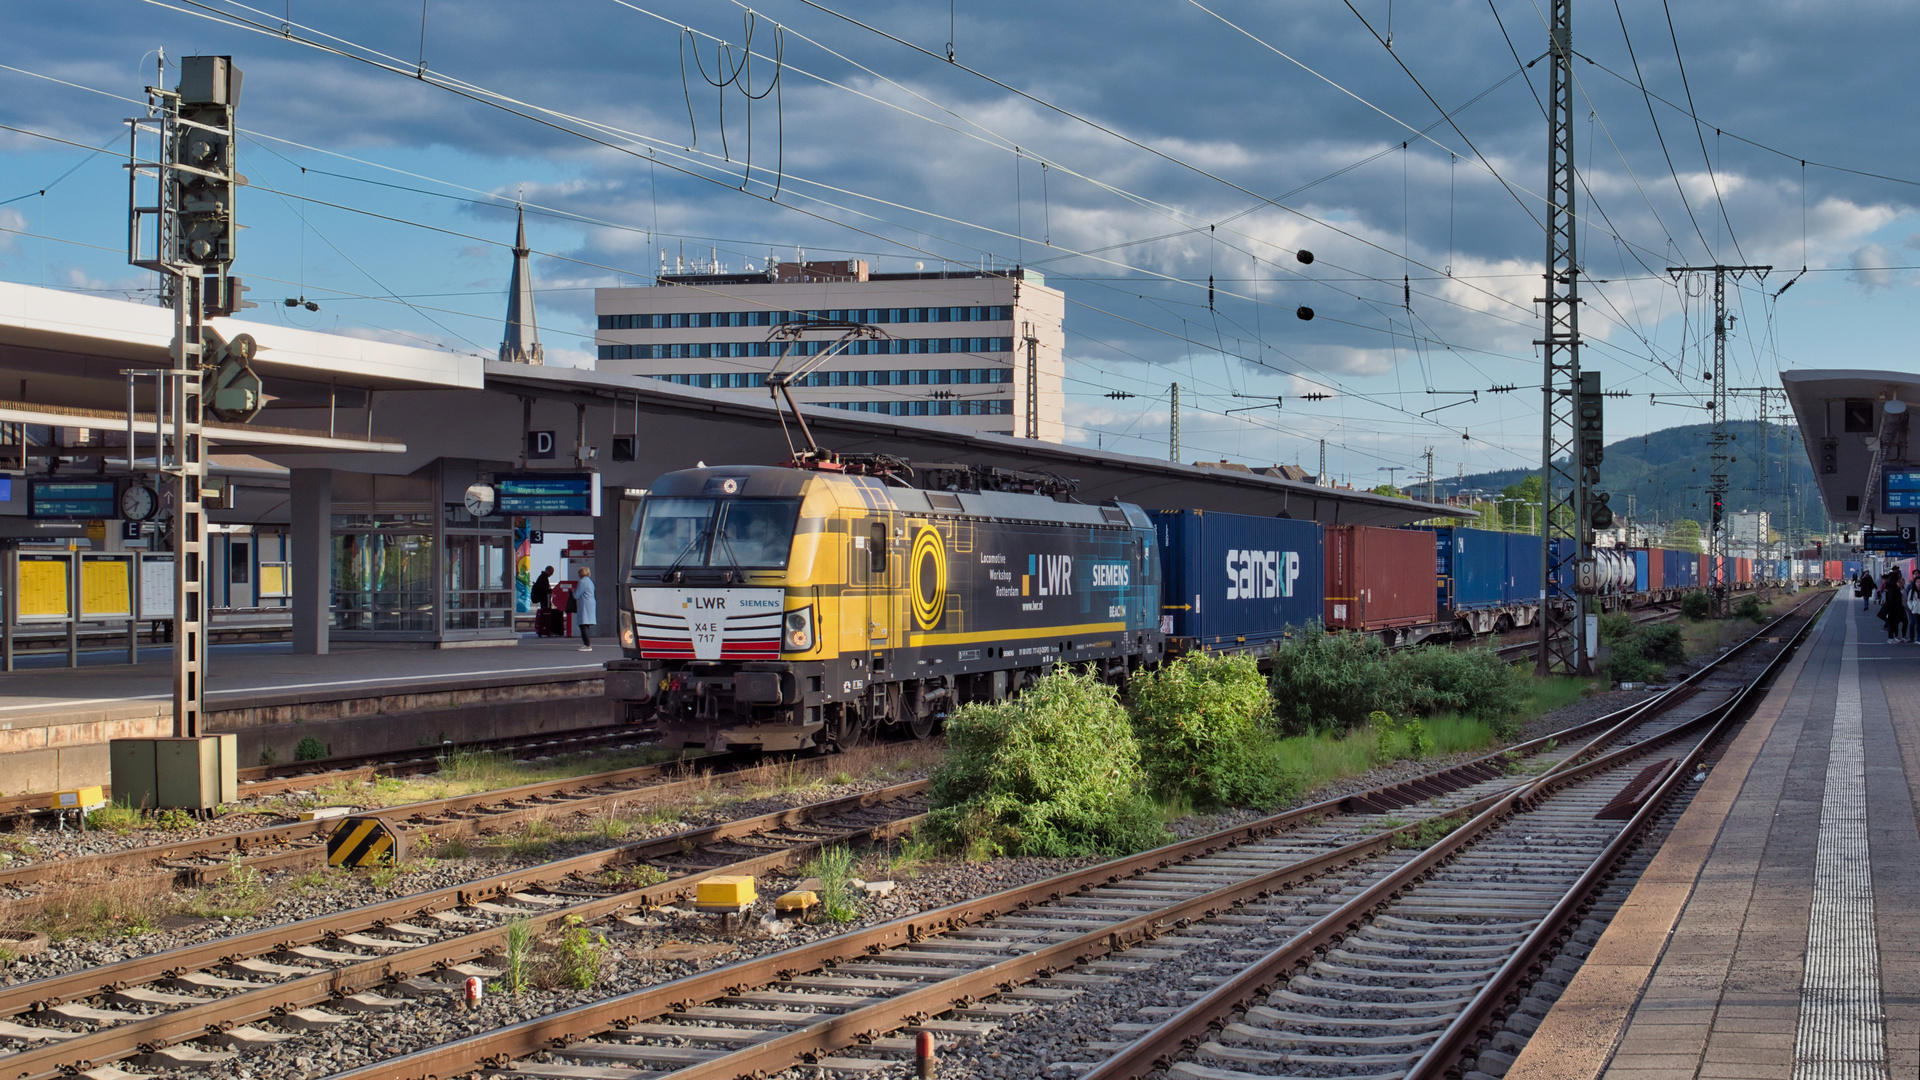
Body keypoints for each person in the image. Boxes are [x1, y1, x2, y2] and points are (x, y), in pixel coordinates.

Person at [573, 567, 597, 651]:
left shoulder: (582, 581)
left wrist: (572, 591)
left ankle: (587, 645)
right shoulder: (590, 581)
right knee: (586, 624)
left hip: (584, 604)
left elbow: (576, 595)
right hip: (590, 603)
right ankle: (587, 643)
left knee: (583, 624)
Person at [1880, 567, 1907, 644]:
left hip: (1891, 607)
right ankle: (1892, 637)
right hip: (1894, 607)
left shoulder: (1889, 586)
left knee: (1893, 622)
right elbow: (1895, 598)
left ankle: (1893, 637)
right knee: (1893, 622)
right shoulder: (1894, 587)